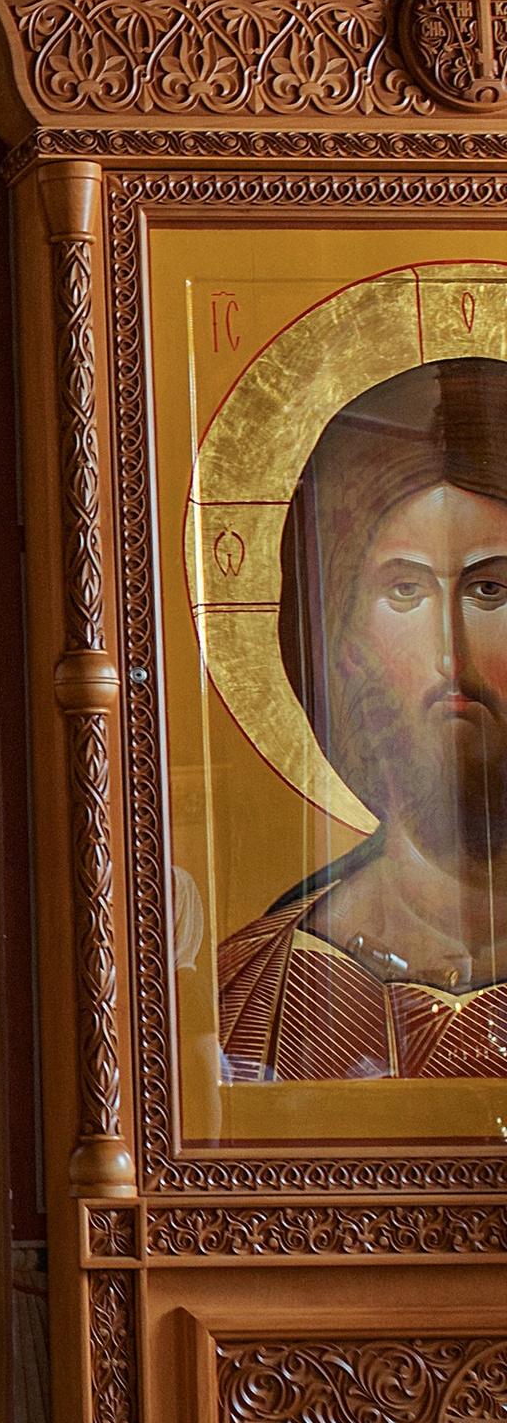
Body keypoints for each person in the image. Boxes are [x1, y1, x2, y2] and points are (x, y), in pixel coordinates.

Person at [214, 357, 507, 1080]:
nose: (450, 656)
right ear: (345, 645)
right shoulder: (252, 993)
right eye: (404, 590)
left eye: (491, 589)